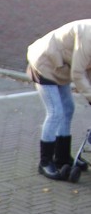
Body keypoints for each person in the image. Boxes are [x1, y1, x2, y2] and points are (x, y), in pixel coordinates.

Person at [27, 19, 91, 180]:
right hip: (44, 63)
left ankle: (62, 157)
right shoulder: (88, 38)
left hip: (61, 67)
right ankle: (45, 162)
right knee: (55, 112)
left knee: (68, 109)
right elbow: (78, 73)